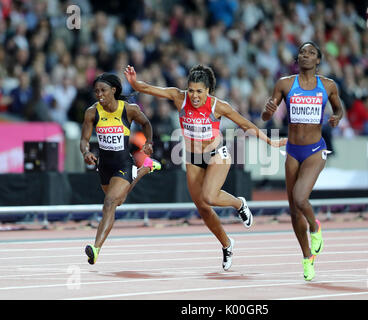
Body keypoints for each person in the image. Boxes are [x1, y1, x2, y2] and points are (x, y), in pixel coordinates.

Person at [125, 64, 287, 271]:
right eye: (191, 90)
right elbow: (149, 89)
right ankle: (227, 244)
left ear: (208, 91)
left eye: (199, 91)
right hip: (193, 157)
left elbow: (246, 125)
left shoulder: (219, 106)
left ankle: (239, 204)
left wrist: (270, 142)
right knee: (202, 207)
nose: (194, 96)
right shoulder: (178, 97)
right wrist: (134, 83)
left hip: (216, 154)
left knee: (210, 196)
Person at [261, 42, 344, 281]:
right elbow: (266, 115)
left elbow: (339, 109)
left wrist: (336, 118)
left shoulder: (327, 86)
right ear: (297, 58)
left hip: (315, 150)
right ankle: (307, 258)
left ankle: (315, 227)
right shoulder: (285, 84)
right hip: (292, 150)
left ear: (318, 60)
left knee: (300, 198)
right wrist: (267, 111)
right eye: (302, 52)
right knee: (293, 210)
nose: (305, 55)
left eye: (311, 53)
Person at [80, 73, 161, 265]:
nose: (99, 94)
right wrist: (85, 152)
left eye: (103, 90)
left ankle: (96, 248)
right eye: (96, 91)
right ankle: (145, 169)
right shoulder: (92, 112)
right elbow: (83, 139)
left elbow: (146, 124)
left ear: (113, 91)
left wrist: (148, 142)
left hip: (124, 163)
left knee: (109, 203)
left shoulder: (128, 109)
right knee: (117, 202)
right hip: (104, 166)